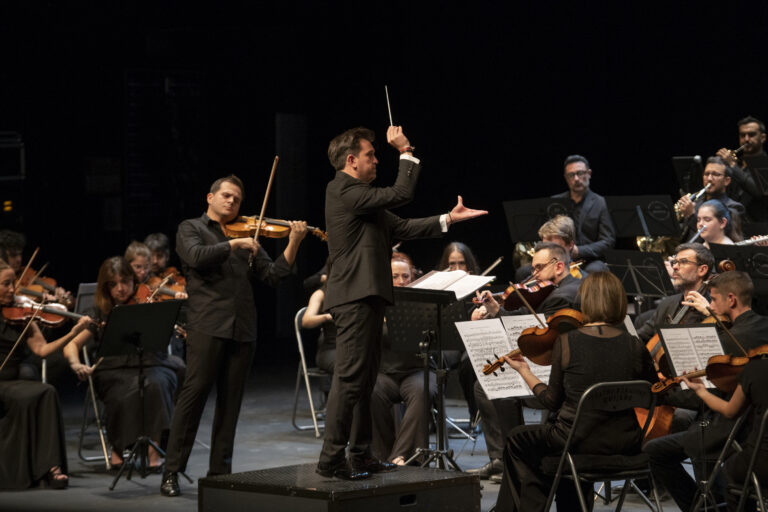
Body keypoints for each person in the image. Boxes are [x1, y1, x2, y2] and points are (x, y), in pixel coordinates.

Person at [316, 125, 487, 480]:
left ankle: (360, 454)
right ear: (351, 161)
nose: (376, 160)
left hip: (369, 296)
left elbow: (405, 227)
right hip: (353, 297)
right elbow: (401, 192)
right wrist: (405, 151)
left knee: (362, 380)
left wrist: (448, 219)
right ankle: (331, 459)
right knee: (350, 379)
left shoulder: (364, 202)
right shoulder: (343, 190)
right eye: (370, 155)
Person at [161, 175, 308, 496]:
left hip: (243, 329)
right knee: (193, 398)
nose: (231, 202)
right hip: (207, 325)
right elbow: (196, 256)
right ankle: (172, 471)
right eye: (226, 196)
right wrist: (232, 245)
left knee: (231, 406)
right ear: (210, 197)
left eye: (237, 200)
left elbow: (273, 275)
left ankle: (219, 476)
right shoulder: (191, 228)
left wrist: (293, 243)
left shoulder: (249, 233)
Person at [494, 272, 657, 511]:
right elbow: (653, 392)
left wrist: (524, 371)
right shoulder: (634, 345)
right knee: (550, 460)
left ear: (585, 301)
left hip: (577, 441)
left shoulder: (568, 341)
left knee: (518, 440)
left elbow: (551, 401)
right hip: (627, 443)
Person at [644, 270, 768, 512]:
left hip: (732, 427)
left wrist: (664, 394)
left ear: (731, 299)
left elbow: (705, 397)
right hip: (758, 425)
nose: (709, 306)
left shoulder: (726, 343)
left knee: (655, 450)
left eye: (713, 299)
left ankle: (701, 508)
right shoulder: (763, 325)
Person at [468, 242, 582, 480]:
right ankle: (504, 459)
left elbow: (533, 333)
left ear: (559, 266)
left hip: (558, 379)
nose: (534, 275)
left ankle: (514, 461)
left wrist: (498, 317)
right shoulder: (570, 287)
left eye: (539, 268)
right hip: (563, 370)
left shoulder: (562, 296)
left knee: (493, 388)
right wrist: (498, 310)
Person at [63, 256, 185, 471]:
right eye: (113, 284)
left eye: (125, 282)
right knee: (124, 391)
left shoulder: (145, 304)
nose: (120, 289)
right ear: (105, 287)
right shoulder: (99, 312)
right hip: (113, 369)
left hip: (148, 363)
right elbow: (71, 345)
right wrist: (76, 364)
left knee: (157, 383)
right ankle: (118, 448)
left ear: (133, 281)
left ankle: (153, 450)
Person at [0, 258, 93, 489]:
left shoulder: (22, 314)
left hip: (12, 382)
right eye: (6, 284)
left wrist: (74, 332)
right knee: (33, 394)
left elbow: (43, 350)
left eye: (13, 284)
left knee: (47, 391)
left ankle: (52, 467)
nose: (12, 290)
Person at [370, 253, 437, 466]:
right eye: (395, 276)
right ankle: (381, 455)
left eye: (405, 276)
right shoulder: (374, 303)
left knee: (422, 389)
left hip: (417, 370)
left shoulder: (422, 303)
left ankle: (398, 456)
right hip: (385, 372)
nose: (401, 281)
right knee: (371, 391)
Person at [682, 353, 768, 512]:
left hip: (763, 462)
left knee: (728, 472)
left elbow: (730, 411)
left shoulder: (756, 369)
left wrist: (702, 391)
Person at [635, 243, 714, 345]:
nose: (675, 267)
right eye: (675, 262)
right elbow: (642, 336)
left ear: (702, 270)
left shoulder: (712, 307)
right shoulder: (667, 303)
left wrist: (710, 314)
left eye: (683, 262)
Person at [550, 155, 615, 273]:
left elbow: (608, 241)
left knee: (593, 271)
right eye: (571, 175)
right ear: (566, 178)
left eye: (580, 173)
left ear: (589, 173)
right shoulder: (556, 203)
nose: (576, 179)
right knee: (524, 272)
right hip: (562, 259)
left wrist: (579, 251)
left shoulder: (600, 202)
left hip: (591, 260)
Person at [676, 156, 746, 242]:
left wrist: (691, 216)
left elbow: (716, 234)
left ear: (726, 181)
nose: (709, 179)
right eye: (706, 174)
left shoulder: (734, 207)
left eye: (715, 174)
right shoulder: (696, 201)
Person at [717, 115, 768, 222]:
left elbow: (759, 191)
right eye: (742, 135)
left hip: (759, 231)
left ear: (762, 138)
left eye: (751, 135)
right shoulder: (737, 165)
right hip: (733, 227)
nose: (746, 139)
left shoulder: (765, 163)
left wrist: (732, 165)